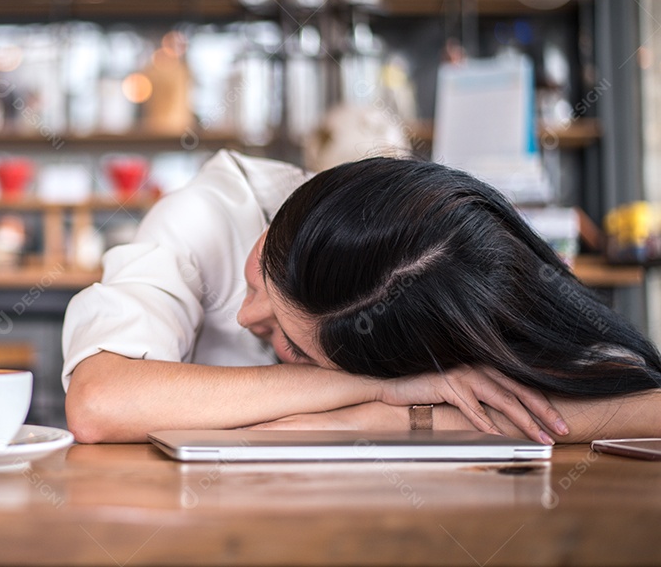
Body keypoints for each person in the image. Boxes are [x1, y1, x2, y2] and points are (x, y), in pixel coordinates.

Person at [62, 150, 661, 444]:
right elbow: (99, 400)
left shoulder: (437, 280)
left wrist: (399, 420)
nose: (246, 318)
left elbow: (641, 401)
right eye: (257, 279)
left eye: (290, 344)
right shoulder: (202, 218)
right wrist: (379, 390)